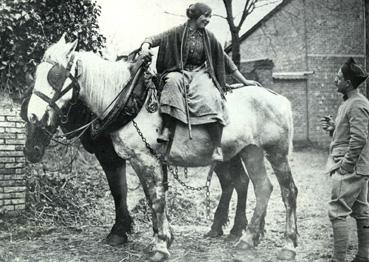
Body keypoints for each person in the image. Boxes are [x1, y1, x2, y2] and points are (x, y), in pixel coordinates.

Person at [140, 2, 261, 162]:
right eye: (206, 16)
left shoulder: (209, 37)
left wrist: (245, 81)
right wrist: (145, 46)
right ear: (195, 16)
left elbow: (226, 61)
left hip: (200, 73)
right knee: (171, 83)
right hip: (179, 71)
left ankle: (217, 146)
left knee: (210, 96)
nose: (208, 20)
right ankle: (167, 130)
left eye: (210, 16)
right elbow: (153, 39)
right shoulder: (176, 32)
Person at [321, 57, 369, 262]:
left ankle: (337, 259)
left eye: (338, 77)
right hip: (357, 167)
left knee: (337, 211)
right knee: (360, 210)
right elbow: (348, 135)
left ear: (348, 83)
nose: (335, 80)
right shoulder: (349, 103)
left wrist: (346, 166)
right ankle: (364, 256)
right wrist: (334, 128)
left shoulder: (357, 104)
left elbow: (359, 138)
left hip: (351, 167)